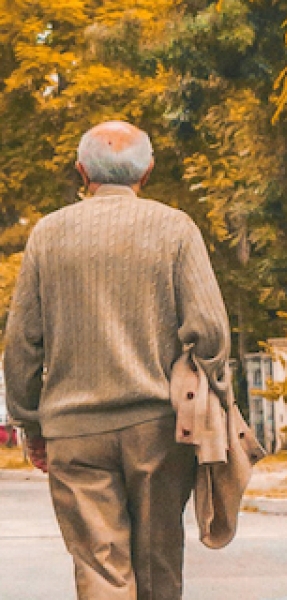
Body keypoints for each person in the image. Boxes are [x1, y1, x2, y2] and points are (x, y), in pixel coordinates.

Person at [4, 120, 231, 600]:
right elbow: (209, 330)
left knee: (100, 570)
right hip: (159, 429)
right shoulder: (175, 228)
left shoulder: (48, 234)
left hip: (74, 433)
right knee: (157, 565)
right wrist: (214, 397)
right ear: (147, 171)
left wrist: (31, 423)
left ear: (82, 171)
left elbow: (23, 341)